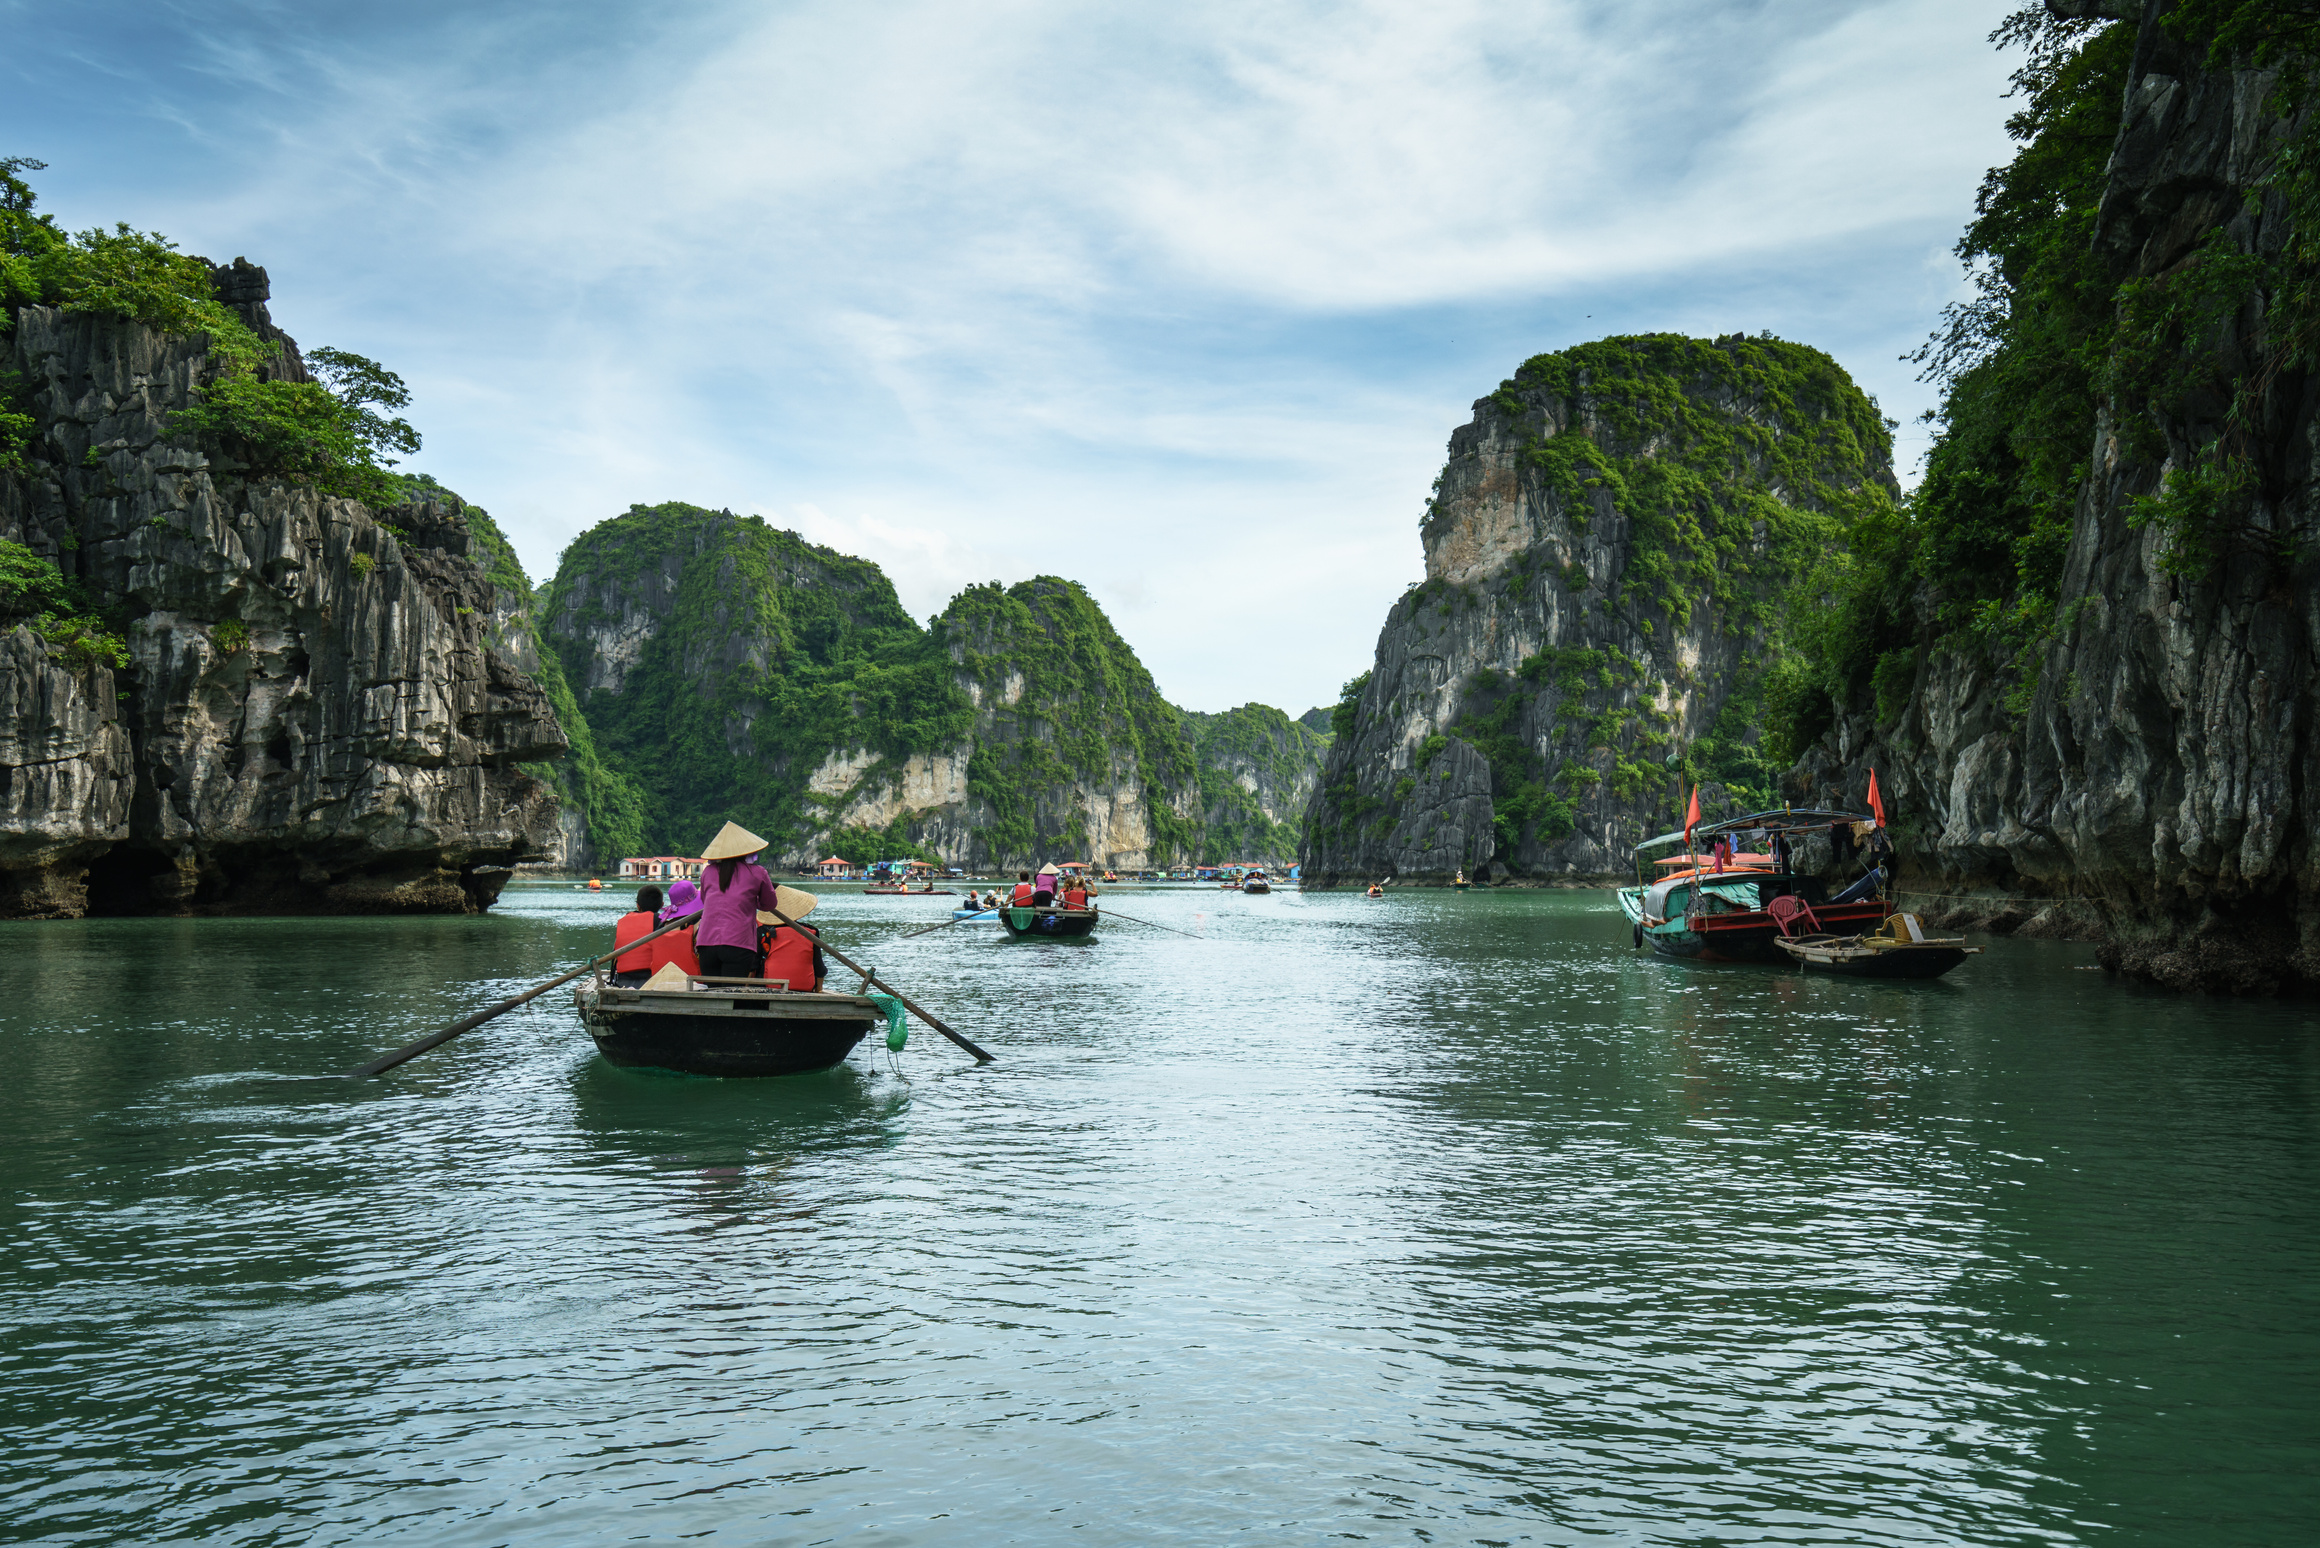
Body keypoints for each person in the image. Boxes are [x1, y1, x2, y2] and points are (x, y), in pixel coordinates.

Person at [695, 821, 789, 980]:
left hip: (706, 942)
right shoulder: (758, 872)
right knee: (732, 992)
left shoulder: (708, 872)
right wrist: (753, 902)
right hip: (738, 942)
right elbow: (769, 904)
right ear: (746, 851)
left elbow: (706, 900)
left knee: (712, 995)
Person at [757, 904, 825, 992]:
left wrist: (747, 987)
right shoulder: (811, 932)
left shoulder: (764, 931)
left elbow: (753, 965)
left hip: (771, 985)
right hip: (805, 986)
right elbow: (819, 966)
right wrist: (819, 989)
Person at [611, 885, 664, 986]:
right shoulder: (660, 921)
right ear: (662, 905)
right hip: (650, 979)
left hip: (623, 979)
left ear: (637, 906)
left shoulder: (623, 920)